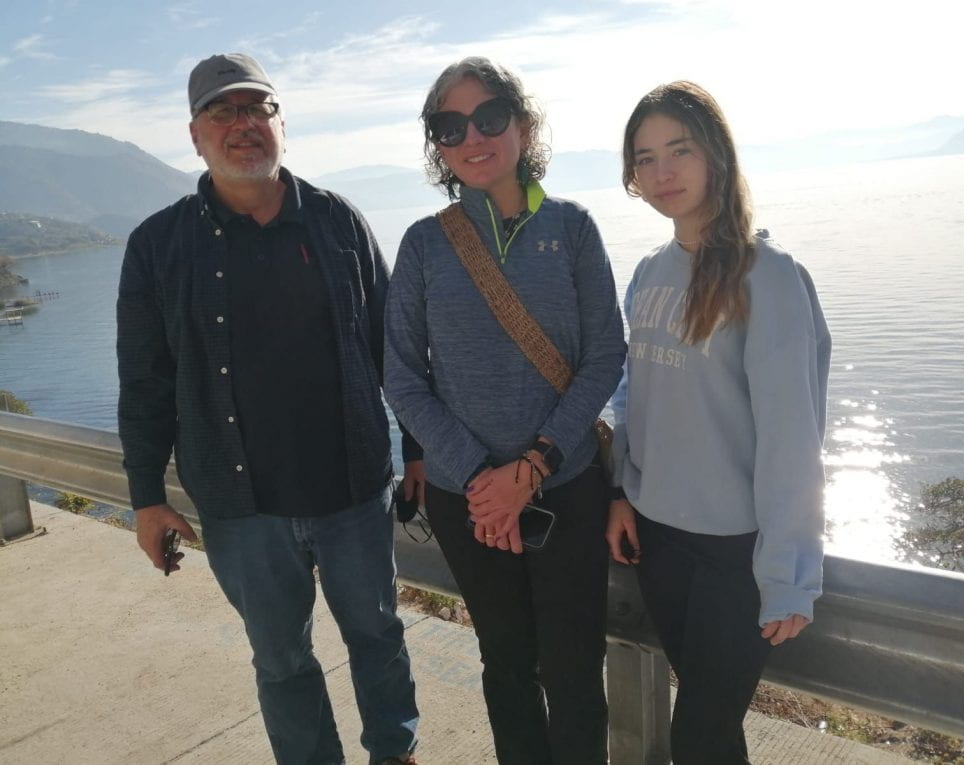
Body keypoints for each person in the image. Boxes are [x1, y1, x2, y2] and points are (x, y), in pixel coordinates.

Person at [116, 52, 420, 765]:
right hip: (240, 506)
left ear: (282, 123)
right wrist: (144, 497)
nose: (244, 124)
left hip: (351, 490)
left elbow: (393, 349)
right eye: (224, 112)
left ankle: (396, 751)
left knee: (377, 633)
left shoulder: (338, 220)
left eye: (259, 109)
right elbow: (145, 381)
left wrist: (419, 449)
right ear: (195, 134)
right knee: (281, 660)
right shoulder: (157, 246)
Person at [383, 57, 626, 765]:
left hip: (567, 486)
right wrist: (481, 480)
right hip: (472, 505)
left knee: (575, 668)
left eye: (489, 117)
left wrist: (533, 463)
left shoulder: (573, 230)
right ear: (437, 145)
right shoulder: (425, 245)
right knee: (507, 664)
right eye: (449, 126)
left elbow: (606, 357)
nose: (472, 137)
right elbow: (402, 377)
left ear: (522, 125)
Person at [606, 80, 831, 764]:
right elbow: (630, 396)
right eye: (645, 158)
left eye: (679, 149)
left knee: (697, 737)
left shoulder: (770, 276)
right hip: (659, 539)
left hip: (735, 554)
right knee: (715, 739)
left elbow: (794, 435)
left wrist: (789, 572)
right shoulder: (649, 273)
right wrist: (621, 490)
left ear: (717, 157)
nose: (662, 171)